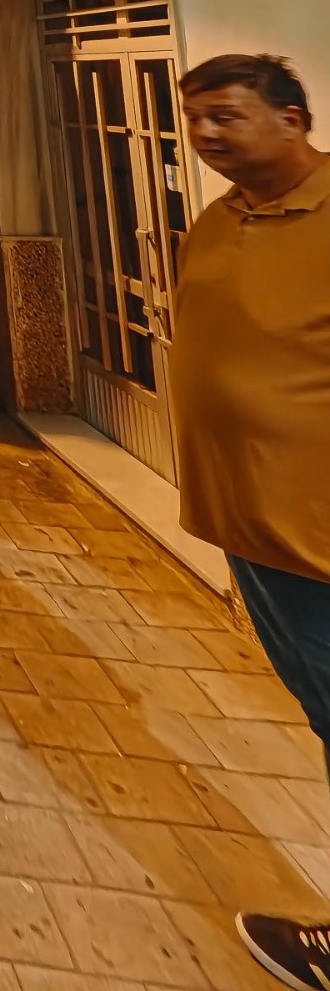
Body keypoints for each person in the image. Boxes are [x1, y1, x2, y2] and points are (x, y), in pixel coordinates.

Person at [171, 55, 330, 989]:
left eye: (227, 116)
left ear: (293, 118)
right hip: (254, 532)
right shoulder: (219, 218)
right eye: (195, 119)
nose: (206, 135)